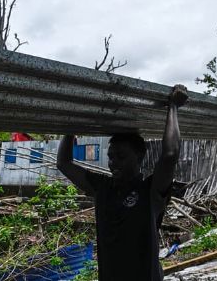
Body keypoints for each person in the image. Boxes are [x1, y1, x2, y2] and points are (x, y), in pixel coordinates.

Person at [57, 84, 188, 281]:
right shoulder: (102, 187)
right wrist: (71, 128)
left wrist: (173, 106)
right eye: (110, 157)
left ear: (140, 156)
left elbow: (169, 154)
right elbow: (64, 163)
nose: (113, 163)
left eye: (120, 156)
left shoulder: (150, 190)